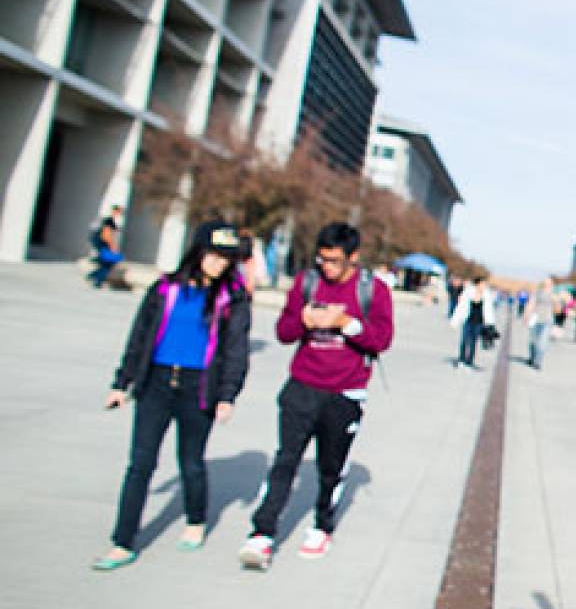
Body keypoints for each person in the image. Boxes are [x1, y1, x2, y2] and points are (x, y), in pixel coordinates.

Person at [93, 221, 251, 570]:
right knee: (141, 464)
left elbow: (236, 351)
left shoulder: (232, 299)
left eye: (226, 258)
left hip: (199, 389)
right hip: (156, 384)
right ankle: (122, 542)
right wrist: (122, 383)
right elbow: (139, 338)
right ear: (197, 251)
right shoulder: (165, 289)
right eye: (213, 255)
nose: (219, 263)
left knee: (191, 462)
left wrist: (227, 395)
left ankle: (196, 520)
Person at [239, 222, 394, 570]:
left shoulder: (374, 290)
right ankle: (262, 533)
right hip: (302, 388)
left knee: (331, 468)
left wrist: (346, 324)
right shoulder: (307, 282)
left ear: (353, 258)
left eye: (335, 261)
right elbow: (283, 332)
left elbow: (381, 339)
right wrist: (304, 321)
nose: (327, 267)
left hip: (345, 395)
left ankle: (322, 526)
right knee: (285, 461)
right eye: (322, 259)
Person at [451, 277, 495, 369]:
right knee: (464, 340)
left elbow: (489, 311)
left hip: (479, 322)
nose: (484, 286)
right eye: (483, 284)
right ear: (478, 284)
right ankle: (462, 359)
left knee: (474, 341)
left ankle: (469, 360)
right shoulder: (468, 293)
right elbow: (461, 307)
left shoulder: (486, 295)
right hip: (468, 320)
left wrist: (490, 323)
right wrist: (455, 320)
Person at [88, 204, 124, 289]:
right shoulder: (109, 221)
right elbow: (106, 235)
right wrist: (113, 247)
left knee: (106, 264)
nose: (120, 213)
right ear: (115, 211)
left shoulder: (109, 220)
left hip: (102, 245)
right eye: (119, 211)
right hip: (104, 245)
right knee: (107, 264)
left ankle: (93, 276)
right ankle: (96, 279)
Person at [525, 278, 558, 370]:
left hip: (547, 321)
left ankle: (538, 362)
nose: (547, 285)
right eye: (545, 283)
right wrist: (526, 315)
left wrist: (556, 302)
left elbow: (558, 311)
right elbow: (531, 304)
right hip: (535, 319)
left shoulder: (554, 295)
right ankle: (532, 358)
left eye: (549, 283)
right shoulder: (537, 293)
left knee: (542, 342)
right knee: (533, 341)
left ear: (551, 285)